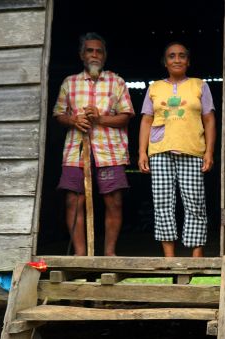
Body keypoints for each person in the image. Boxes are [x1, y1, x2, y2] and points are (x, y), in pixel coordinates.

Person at [53, 32, 135, 256]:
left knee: (114, 201)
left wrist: (100, 119)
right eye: (90, 50)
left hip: (109, 151)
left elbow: (126, 116)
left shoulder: (116, 82)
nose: (94, 55)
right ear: (82, 55)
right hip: (76, 151)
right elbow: (59, 114)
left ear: (105, 55)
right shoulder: (70, 83)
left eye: (99, 51)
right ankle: (80, 253)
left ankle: (109, 253)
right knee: (73, 200)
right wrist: (73, 119)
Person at [138, 42, 216, 257]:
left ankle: (196, 255)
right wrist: (142, 152)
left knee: (195, 201)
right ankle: (169, 256)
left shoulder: (200, 86)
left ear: (188, 61)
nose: (177, 59)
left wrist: (209, 152)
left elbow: (209, 120)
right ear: (165, 62)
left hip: (192, 150)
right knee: (162, 202)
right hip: (160, 150)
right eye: (172, 56)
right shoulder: (154, 87)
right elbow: (146, 120)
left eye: (182, 56)